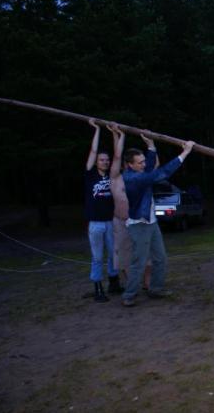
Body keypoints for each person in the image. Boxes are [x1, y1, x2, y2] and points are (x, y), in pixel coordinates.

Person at [121, 134, 195, 307]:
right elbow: (163, 172)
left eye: (143, 161)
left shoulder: (140, 172)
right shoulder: (133, 178)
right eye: (140, 162)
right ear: (130, 165)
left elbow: (149, 168)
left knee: (160, 257)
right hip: (139, 224)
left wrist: (151, 147)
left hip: (151, 222)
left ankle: (156, 288)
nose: (144, 164)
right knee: (139, 261)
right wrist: (185, 153)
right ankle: (129, 294)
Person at [107, 124, 153, 291]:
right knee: (124, 256)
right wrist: (120, 134)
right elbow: (117, 155)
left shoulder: (139, 176)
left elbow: (154, 163)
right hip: (120, 221)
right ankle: (130, 284)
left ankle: (147, 283)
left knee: (145, 253)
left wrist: (150, 143)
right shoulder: (115, 177)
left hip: (138, 220)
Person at [84, 119, 119, 302]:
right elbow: (93, 151)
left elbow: (118, 155)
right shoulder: (90, 175)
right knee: (97, 257)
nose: (105, 162)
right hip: (96, 223)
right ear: (96, 162)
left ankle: (114, 282)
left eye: (107, 160)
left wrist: (115, 133)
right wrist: (97, 129)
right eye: (101, 160)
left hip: (110, 221)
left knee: (114, 253)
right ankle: (98, 289)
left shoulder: (112, 175)